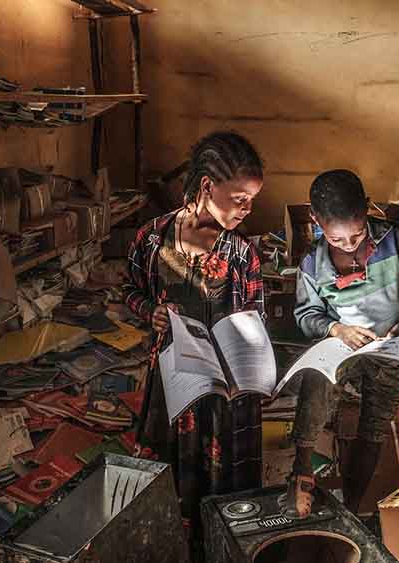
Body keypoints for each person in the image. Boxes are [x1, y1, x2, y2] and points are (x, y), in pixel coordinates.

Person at [123, 131, 266, 549]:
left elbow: (255, 320)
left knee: (223, 488)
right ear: (207, 185)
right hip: (172, 385)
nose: (248, 209)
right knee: (170, 481)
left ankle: (217, 551)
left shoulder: (242, 253)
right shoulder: (152, 238)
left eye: (252, 199)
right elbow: (129, 290)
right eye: (240, 198)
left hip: (226, 393)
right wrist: (148, 311)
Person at [284, 169, 399, 517]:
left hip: (389, 344)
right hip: (343, 344)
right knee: (317, 383)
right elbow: (306, 315)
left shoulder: (394, 240)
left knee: (378, 417)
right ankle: (301, 468)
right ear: (316, 221)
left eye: (358, 234)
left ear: (367, 209)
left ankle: (354, 502)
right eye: (337, 239)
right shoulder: (312, 264)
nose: (349, 245)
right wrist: (336, 329)